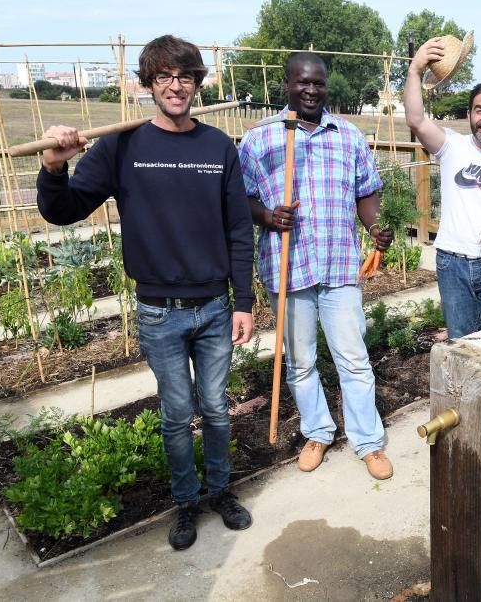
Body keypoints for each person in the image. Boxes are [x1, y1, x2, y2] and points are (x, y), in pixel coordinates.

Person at [35, 35, 255, 551]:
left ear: (198, 83)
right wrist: (52, 166)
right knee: (178, 413)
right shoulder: (122, 146)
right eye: (163, 77)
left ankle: (220, 490)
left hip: (215, 308)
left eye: (185, 76)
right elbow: (62, 210)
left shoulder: (218, 147)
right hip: (159, 312)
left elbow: (239, 229)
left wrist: (243, 301)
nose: (175, 86)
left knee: (218, 409)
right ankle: (186, 503)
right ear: (148, 85)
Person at [238, 52, 395, 480]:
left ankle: (368, 441)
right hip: (289, 267)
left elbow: (366, 193)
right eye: (302, 82)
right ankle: (318, 432)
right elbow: (241, 200)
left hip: (340, 263)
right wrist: (268, 216)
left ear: (327, 86)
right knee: (300, 361)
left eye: (319, 83)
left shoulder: (347, 136)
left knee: (353, 357)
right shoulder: (261, 138)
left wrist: (375, 227)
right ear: (287, 85)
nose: (311, 90)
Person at [403, 37, 481, 341]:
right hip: (452, 262)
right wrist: (414, 71)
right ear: (469, 114)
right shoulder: (451, 147)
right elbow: (416, 119)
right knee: (461, 344)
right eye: (480, 110)